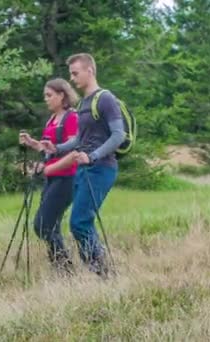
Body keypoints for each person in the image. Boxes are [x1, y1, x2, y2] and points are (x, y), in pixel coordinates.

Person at [41, 53, 125, 278]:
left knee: (80, 222)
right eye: (71, 73)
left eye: (75, 73)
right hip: (84, 169)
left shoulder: (105, 99)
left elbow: (118, 135)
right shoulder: (85, 103)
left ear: (90, 71)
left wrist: (94, 156)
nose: (72, 78)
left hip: (101, 168)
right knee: (80, 222)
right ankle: (100, 273)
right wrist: (56, 149)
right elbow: (79, 139)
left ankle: (103, 274)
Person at [19, 78, 79, 274]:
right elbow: (48, 149)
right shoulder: (52, 119)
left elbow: (73, 146)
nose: (46, 99)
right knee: (50, 226)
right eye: (45, 95)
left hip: (67, 178)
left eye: (49, 95)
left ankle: (65, 268)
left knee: (42, 225)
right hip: (51, 177)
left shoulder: (71, 117)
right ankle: (63, 271)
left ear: (62, 95)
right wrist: (32, 143)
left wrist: (46, 164)